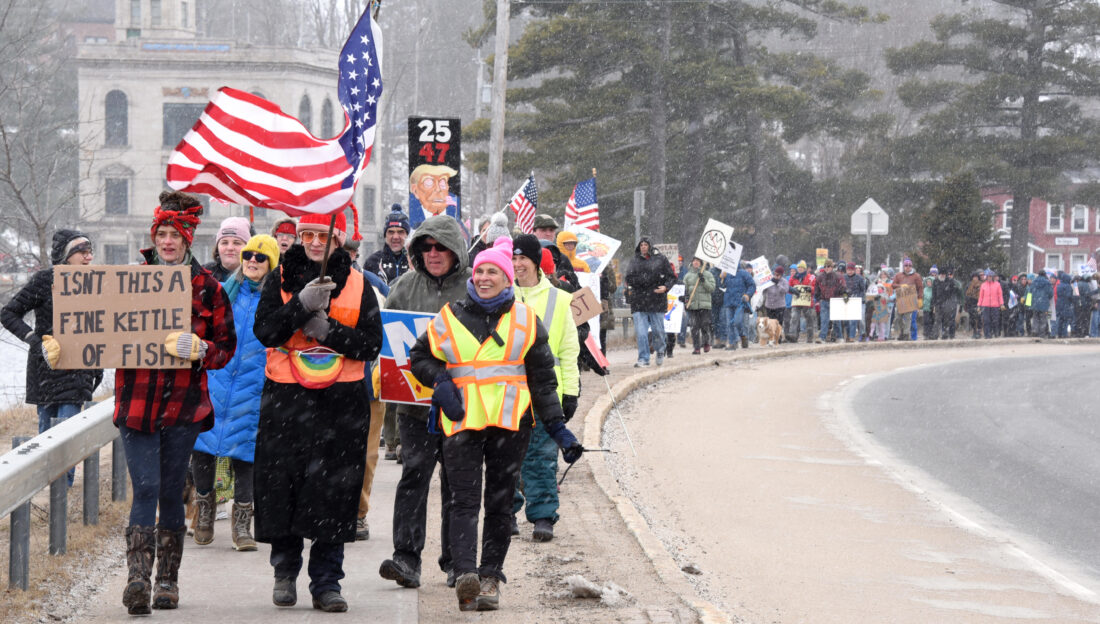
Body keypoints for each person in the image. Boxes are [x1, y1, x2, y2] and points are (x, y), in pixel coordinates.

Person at [410, 236, 583, 612]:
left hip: (510, 423)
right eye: (480, 271)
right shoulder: (450, 315)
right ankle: (466, 574)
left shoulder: (525, 320)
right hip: (462, 422)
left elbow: (542, 380)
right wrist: (440, 382)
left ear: (508, 279)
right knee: (463, 501)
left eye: (494, 272)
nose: (485, 278)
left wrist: (558, 429)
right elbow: (419, 356)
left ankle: (490, 576)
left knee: (501, 503)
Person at [252, 211, 383, 613]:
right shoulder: (278, 279)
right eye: (306, 234)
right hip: (286, 399)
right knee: (283, 489)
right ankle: (285, 572)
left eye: (321, 235)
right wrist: (299, 308)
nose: (313, 242)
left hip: (340, 402)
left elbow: (371, 345)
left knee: (333, 493)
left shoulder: (360, 285)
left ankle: (326, 582)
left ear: (338, 239)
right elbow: (265, 332)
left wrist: (330, 333)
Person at [114, 191, 236, 615]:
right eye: (161, 234)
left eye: (175, 234)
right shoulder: (129, 280)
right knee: (145, 487)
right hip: (137, 403)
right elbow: (97, 333)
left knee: (170, 490)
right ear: (154, 236)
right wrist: (67, 348)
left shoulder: (209, 289)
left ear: (188, 238)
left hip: (184, 408)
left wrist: (201, 348)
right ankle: (136, 578)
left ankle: (167, 579)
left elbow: (226, 349)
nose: (167, 242)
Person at [378, 215, 470, 590]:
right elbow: (385, 342)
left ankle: (454, 560)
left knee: (456, 482)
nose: (433, 254)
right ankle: (406, 557)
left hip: (461, 405)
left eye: (441, 247)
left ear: (455, 251)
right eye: (427, 247)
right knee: (414, 476)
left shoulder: (472, 288)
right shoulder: (402, 287)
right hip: (413, 406)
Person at [190, 234, 279, 550]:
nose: (252, 261)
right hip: (216, 378)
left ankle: (242, 525)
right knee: (203, 447)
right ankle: (204, 510)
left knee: (246, 454)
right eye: (248, 255)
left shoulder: (276, 297)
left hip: (255, 388)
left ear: (271, 263)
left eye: (260, 257)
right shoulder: (224, 292)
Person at [1, 229, 103, 486]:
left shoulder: (98, 283)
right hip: (46, 371)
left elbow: (104, 326)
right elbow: (9, 313)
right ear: (66, 255)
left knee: (66, 439)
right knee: (46, 437)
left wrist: (99, 363)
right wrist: (34, 340)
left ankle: (62, 497)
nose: (88, 257)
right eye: (82, 252)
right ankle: (47, 497)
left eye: (90, 252)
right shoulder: (45, 281)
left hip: (78, 372)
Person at [509, 234, 580, 542]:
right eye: (513, 258)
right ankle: (505, 512)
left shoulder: (560, 299)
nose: (517, 264)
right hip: (505, 388)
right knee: (506, 455)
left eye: (523, 258)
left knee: (541, 456)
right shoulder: (499, 294)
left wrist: (571, 392)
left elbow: (568, 351)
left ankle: (542, 515)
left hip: (545, 392)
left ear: (536, 262)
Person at [625, 237, 675, 366]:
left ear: (650, 246)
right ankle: (643, 358)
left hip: (656, 300)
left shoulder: (661, 259)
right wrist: (641, 281)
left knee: (658, 330)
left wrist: (666, 287)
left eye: (645, 244)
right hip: (639, 300)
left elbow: (671, 277)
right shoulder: (634, 261)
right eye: (641, 245)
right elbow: (629, 278)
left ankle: (660, 350)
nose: (643, 247)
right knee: (641, 333)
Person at [363, 208, 411, 285]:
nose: (395, 237)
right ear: (385, 235)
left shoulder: (415, 262)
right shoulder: (373, 261)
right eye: (391, 232)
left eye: (400, 232)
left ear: (407, 235)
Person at [720, 261, 755, 350]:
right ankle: (733, 343)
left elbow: (752, 285)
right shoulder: (727, 273)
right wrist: (722, 278)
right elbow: (722, 286)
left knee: (738, 322)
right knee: (729, 324)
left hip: (740, 302)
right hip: (728, 302)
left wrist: (747, 294)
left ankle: (743, 336)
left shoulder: (744, 273)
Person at [683, 258, 716, 354]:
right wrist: (685, 299)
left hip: (705, 305)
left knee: (705, 325)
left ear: (701, 263)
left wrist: (703, 281)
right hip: (693, 306)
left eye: (698, 261)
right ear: (692, 262)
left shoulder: (708, 274)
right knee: (694, 327)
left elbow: (712, 288)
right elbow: (684, 290)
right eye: (694, 261)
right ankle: (696, 347)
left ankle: (706, 343)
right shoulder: (688, 276)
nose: (696, 262)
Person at [205, 216, 252, 281]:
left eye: (237, 243)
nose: (230, 248)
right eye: (224, 243)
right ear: (217, 247)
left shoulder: (257, 277)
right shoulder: (203, 274)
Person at [813, 259, 846, 343]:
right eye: (825, 266)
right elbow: (816, 288)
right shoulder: (820, 277)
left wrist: (843, 292)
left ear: (832, 267)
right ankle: (822, 337)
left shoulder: (838, 276)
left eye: (828, 266)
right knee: (824, 320)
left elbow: (843, 287)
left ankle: (839, 337)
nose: (826, 268)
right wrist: (818, 296)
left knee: (836, 320)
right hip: (824, 301)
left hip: (835, 300)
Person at [787, 261, 817, 343]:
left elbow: (815, 288)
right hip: (797, 301)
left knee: (809, 319)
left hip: (807, 302)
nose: (800, 269)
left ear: (805, 269)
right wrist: (792, 290)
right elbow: (788, 287)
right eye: (799, 267)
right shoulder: (793, 277)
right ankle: (793, 335)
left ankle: (810, 338)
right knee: (794, 318)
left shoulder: (811, 277)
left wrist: (811, 289)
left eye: (802, 268)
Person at [891, 258, 922, 340]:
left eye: (909, 265)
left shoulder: (916, 276)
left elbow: (920, 288)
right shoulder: (899, 275)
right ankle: (902, 332)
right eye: (906, 265)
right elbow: (893, 285)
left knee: (908, 318)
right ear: (904, 266)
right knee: (898, 317)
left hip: (911, 299)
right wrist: (901, 286)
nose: (908, 267)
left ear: (911, 266)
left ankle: (906, 334)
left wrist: (920, 299)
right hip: (901, 299)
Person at [931, 267, 961, 339]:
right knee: (937, 320)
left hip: (947, 304)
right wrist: (933, 304)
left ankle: (945, 335)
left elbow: (954, 292)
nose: (942, 275)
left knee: (946, 321)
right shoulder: (935, 281)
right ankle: (935, 335)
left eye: (944, 274)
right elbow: (934, 293)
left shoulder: (950, 281)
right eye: (941, 274)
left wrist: (951, 303)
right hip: (938, 304)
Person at [840, 261, 865, 342]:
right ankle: (847, 334)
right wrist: (844, 294)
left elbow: (863, 290)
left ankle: (852, 336)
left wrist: (859, 297)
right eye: (848, 270)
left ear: (854, 270)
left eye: (851, 270)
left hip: (855, 300)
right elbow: (841, 289)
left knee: (853, 320)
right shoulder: (843, 277)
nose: (850, 271)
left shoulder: (860, 278)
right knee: (846, 321)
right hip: (846, 300)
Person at [977, 269, 1004, 339]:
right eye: (988, 276)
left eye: (990, 276)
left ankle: (996, 333)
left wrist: (1002, 304)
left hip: (995, 305)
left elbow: (1000, 295)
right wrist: (979, 305)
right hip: (985, 306)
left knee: (995, 321)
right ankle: (987, 335)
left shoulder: (997, 285)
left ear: (992, 277)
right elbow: (981, 296)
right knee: (986, 321)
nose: (989, 278)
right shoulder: (983, 285)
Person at [1027, 269, 1054, 338]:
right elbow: (1051, 294)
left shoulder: (1033, 282)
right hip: (1044, 304)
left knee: (1035, 318)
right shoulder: (1047, 283)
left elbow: (1029, 293)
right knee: (1043, 319)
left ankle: (1035, 331)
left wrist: (1028, 304)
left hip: (1035, 303)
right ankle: (1042, 334)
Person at [1054, 271, 1076, 338]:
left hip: (1059, 304)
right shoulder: (1068, 286)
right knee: (1065, 321)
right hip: (1066, 305)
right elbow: (1069, 296)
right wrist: (1073, 299)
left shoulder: (1059, 285)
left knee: (1060, 320)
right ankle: (1064, 334)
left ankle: (1059, 333)